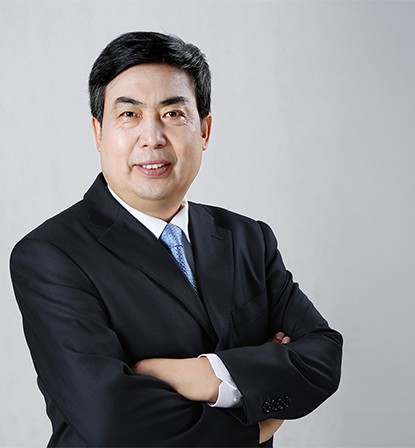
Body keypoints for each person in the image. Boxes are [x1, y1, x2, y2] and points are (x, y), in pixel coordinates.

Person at [10, 31, 343, 447]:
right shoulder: (50, 255)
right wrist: (258, 420)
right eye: (129, 114)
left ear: (204, 130)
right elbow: (110, 416)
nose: (151, 137)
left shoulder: (248, 239)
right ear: (98, 132)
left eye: (172, 113)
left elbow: (324, 356)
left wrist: (207, 375)